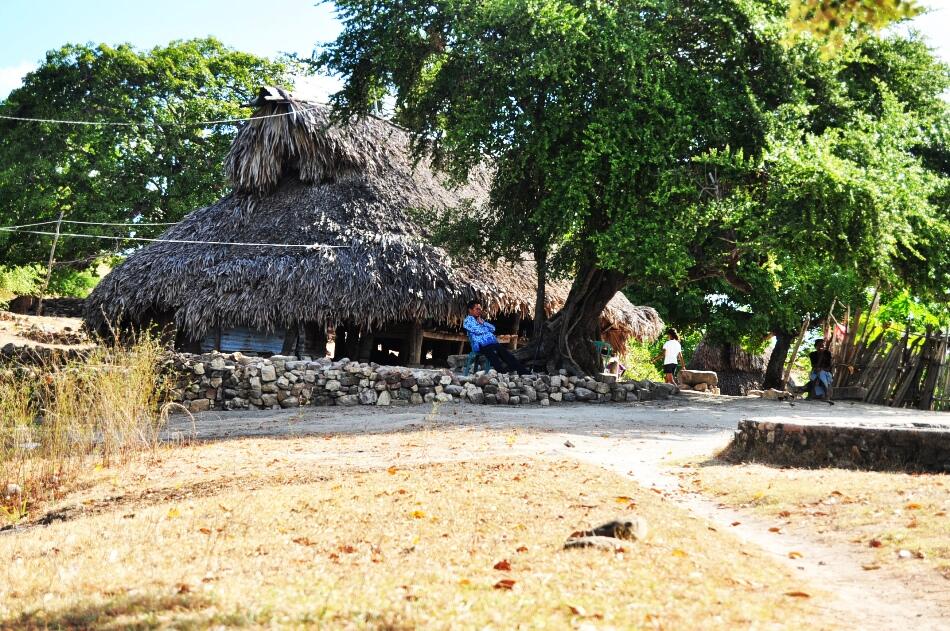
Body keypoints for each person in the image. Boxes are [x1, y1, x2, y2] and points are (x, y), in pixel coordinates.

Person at [462, 300, 530, 375]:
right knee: (493, 354)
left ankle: (521, 370)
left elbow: (493, 329)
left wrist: (483, 323)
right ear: (470, 310)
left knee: (505, 353)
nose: (479, 311)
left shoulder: (480, 320)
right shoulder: (468, 321)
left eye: (480, 309)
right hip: (480, 345)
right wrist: (486, 328)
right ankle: (502, 372)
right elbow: (479, 331)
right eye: (477, 309)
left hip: (491, 343)